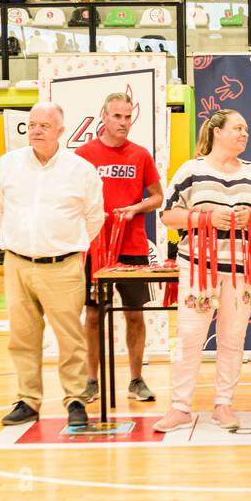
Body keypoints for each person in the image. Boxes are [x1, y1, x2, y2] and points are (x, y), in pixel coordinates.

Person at [152, 111, 251, 432]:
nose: (244, 134)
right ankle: (180, 407)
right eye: (238, 128)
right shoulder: (191, 171)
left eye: (247, 129)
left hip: (242, 271)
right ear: (217, 132)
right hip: (198, 270)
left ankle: (224, 404)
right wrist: (205, 219)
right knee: (190, 337)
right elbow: (168, 215)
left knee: (233, 339)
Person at [0, 103, 105, 430]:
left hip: (64, 266)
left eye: (44, 125)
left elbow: (94, 218)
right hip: (16, 263)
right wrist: (22, 240)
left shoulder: (81, 170)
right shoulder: (8, 165)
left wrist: (62, 243)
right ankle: (28, 400)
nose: (36, 130)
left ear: (60, 131)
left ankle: (75, 400)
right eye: (32, 124)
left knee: (70, 340)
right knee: (22, 337)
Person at [74, 92, 163, 405]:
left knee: (135, 316)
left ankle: (136, 380)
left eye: (128, 117)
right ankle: (91, 381)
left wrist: (135, 208)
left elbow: (158, 197)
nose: (124, 123)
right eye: (117, 117)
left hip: (132, 247)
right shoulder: (83, 154)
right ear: (104, 115)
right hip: (94, 248)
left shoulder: (140, 155)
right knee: (94, 315)